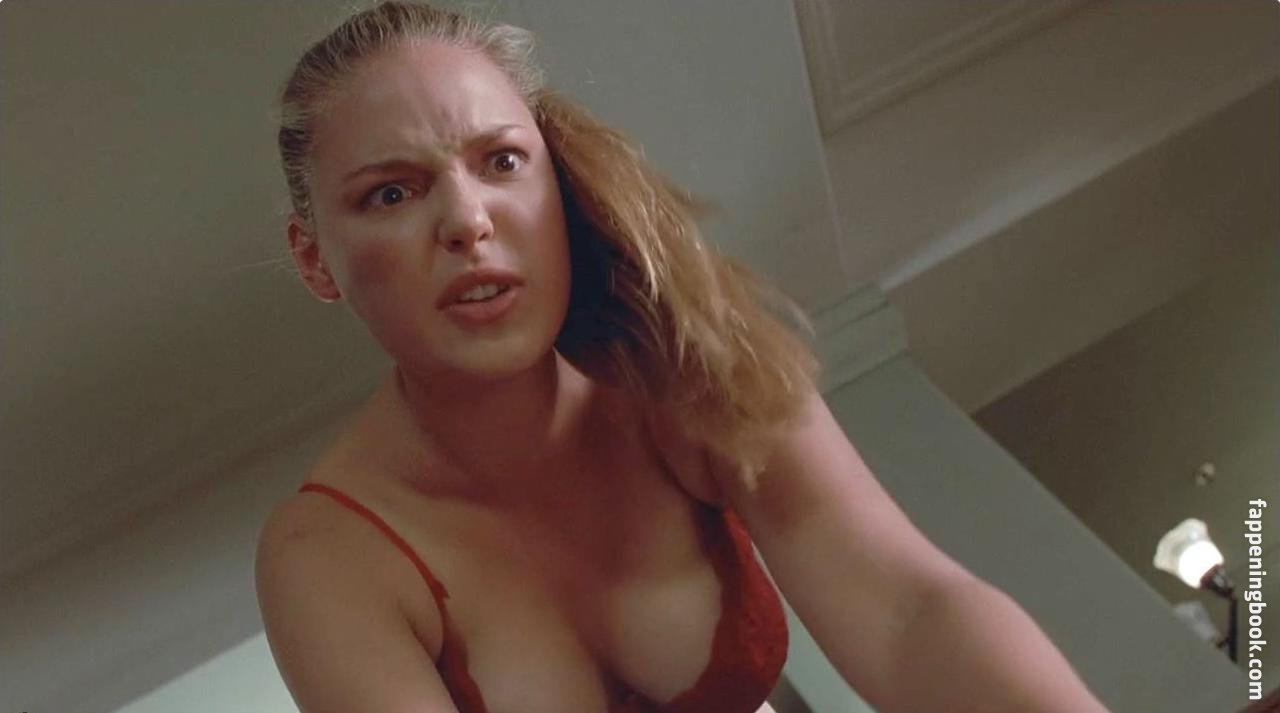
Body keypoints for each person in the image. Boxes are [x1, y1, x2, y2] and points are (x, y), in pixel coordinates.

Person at [254, 3, 1110, 712]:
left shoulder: (687, 357)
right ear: (313, 258)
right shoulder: (327, 555)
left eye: (502, 161)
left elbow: (907, 613)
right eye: (391, 193)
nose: (468, 221)